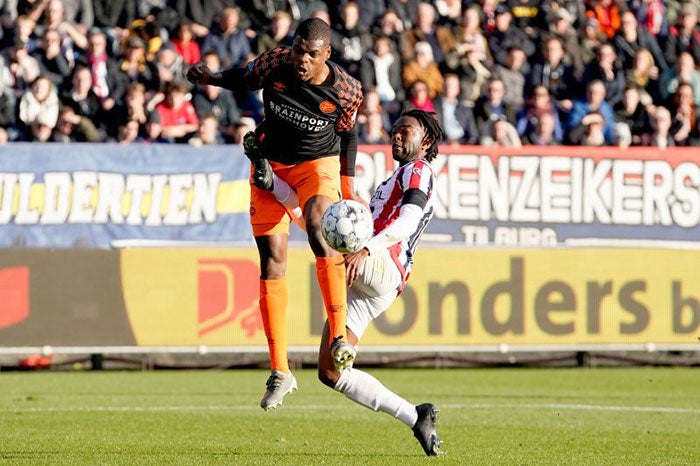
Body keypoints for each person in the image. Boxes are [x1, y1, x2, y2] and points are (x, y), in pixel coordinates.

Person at [186, 17, 364, 410]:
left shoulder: (348, 89)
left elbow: (348, 133)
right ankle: (281, 371)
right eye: (299, 49)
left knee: (319, 225)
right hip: (270, 163)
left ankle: (338, 337)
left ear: (327, 55)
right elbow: (245, 78)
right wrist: (212, 77)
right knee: (272, 263)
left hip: (317, 164)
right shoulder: (277, 62)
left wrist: (348, 189)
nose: (301, 59)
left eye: (311, 54)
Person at [263, 109, 445, 457]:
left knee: (331, 227)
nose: (397, 135)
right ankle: (415, 416)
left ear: (426, 141)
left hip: (383, 264)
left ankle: (340, 136)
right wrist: (277, 188)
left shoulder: (419, 170)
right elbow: (316, 227)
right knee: (330, 373)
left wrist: (367, 248)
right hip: (372, 280)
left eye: (405, 130)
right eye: (394, 130)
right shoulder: (394, 179)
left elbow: (410, 217)